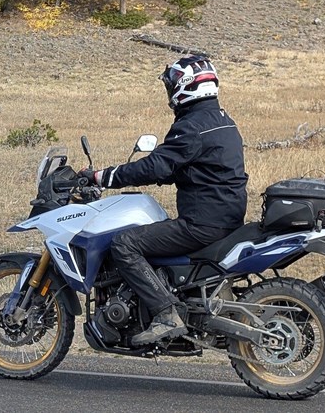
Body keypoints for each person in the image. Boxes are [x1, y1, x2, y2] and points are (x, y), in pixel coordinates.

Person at [80, 55, 248, 346]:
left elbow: (155, 166)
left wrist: (103, 177)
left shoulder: (192, 126)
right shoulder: (222, 120)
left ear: (185, 88)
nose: (169, 94)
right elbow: (190, 168)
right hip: (227, 217)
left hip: (202, 224)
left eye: (171, 86)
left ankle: (166, 312)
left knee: (124, 243)